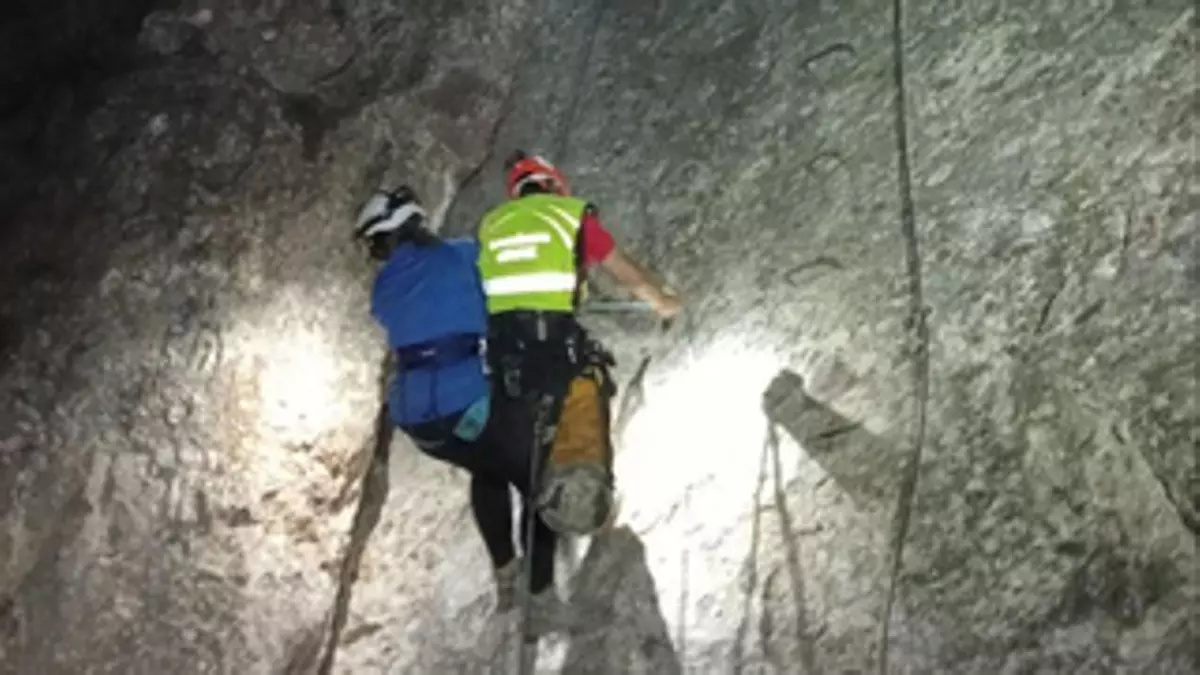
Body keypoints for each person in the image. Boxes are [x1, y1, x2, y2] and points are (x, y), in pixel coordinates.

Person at [354, 185, 566, 629]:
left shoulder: (383, 290)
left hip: (421, 423)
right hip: (465, 403)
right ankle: (540, 596)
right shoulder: (463, 255)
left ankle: (506, 574)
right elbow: (506, 291)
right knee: (537, 479)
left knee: (487, 468)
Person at [475, 150, 683, 543]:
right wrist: (662, 301)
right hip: (552, 347)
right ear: (554, 185)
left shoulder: (492, 224)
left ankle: (540, 492)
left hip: (506, 360)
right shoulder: (569, 216)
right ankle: (583, 502)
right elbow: (625, 273)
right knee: (586, 395)